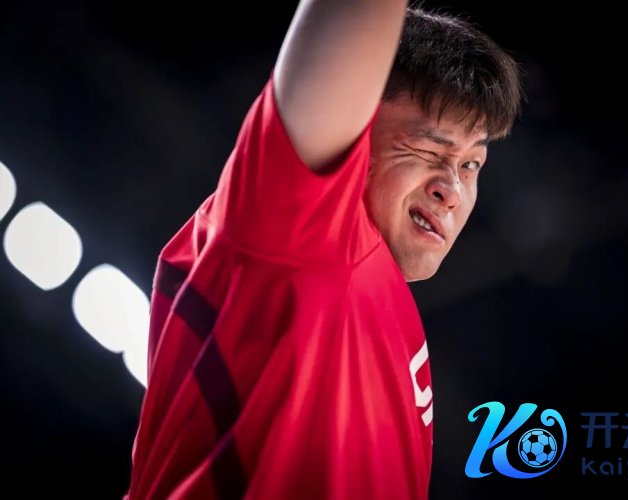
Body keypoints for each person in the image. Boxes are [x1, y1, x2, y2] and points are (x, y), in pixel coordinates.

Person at [126, 0, 521, 498]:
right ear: (354, 126)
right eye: (428, 149)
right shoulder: (302, 228)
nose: (453, 189)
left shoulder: (382, 303)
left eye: (470, 165)